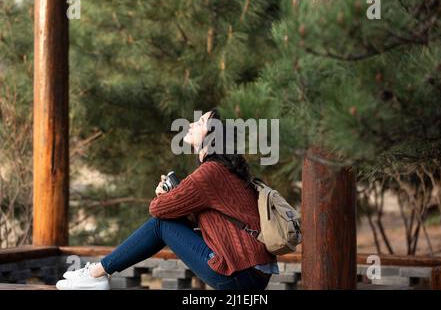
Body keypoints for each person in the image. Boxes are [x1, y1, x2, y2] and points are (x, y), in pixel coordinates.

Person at [56, 109, 278, 290]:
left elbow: (158, 210)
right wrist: (175, 195)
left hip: (240, 274)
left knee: (162, 224)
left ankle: (96, 274)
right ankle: (98, 274)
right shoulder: (223, 171)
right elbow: (204, 220)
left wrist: (165, 196)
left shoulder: (210, 173)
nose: (191, 124)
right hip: (253, 272)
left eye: (200, 122)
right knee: (167, 223)